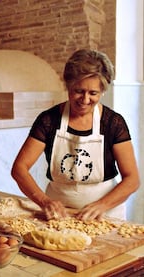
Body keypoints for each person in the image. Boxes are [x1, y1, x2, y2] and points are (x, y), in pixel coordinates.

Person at [11, 49, 140, 221]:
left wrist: (102, 205)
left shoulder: (113, 123)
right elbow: (19, 168)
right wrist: (44, 201)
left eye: (93, 93)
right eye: (78, 91)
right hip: (58, 215)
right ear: (68, 85)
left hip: (105, 215)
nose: (85, 99)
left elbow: (132, 179)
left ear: (102, 91)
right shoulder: (49, 120)